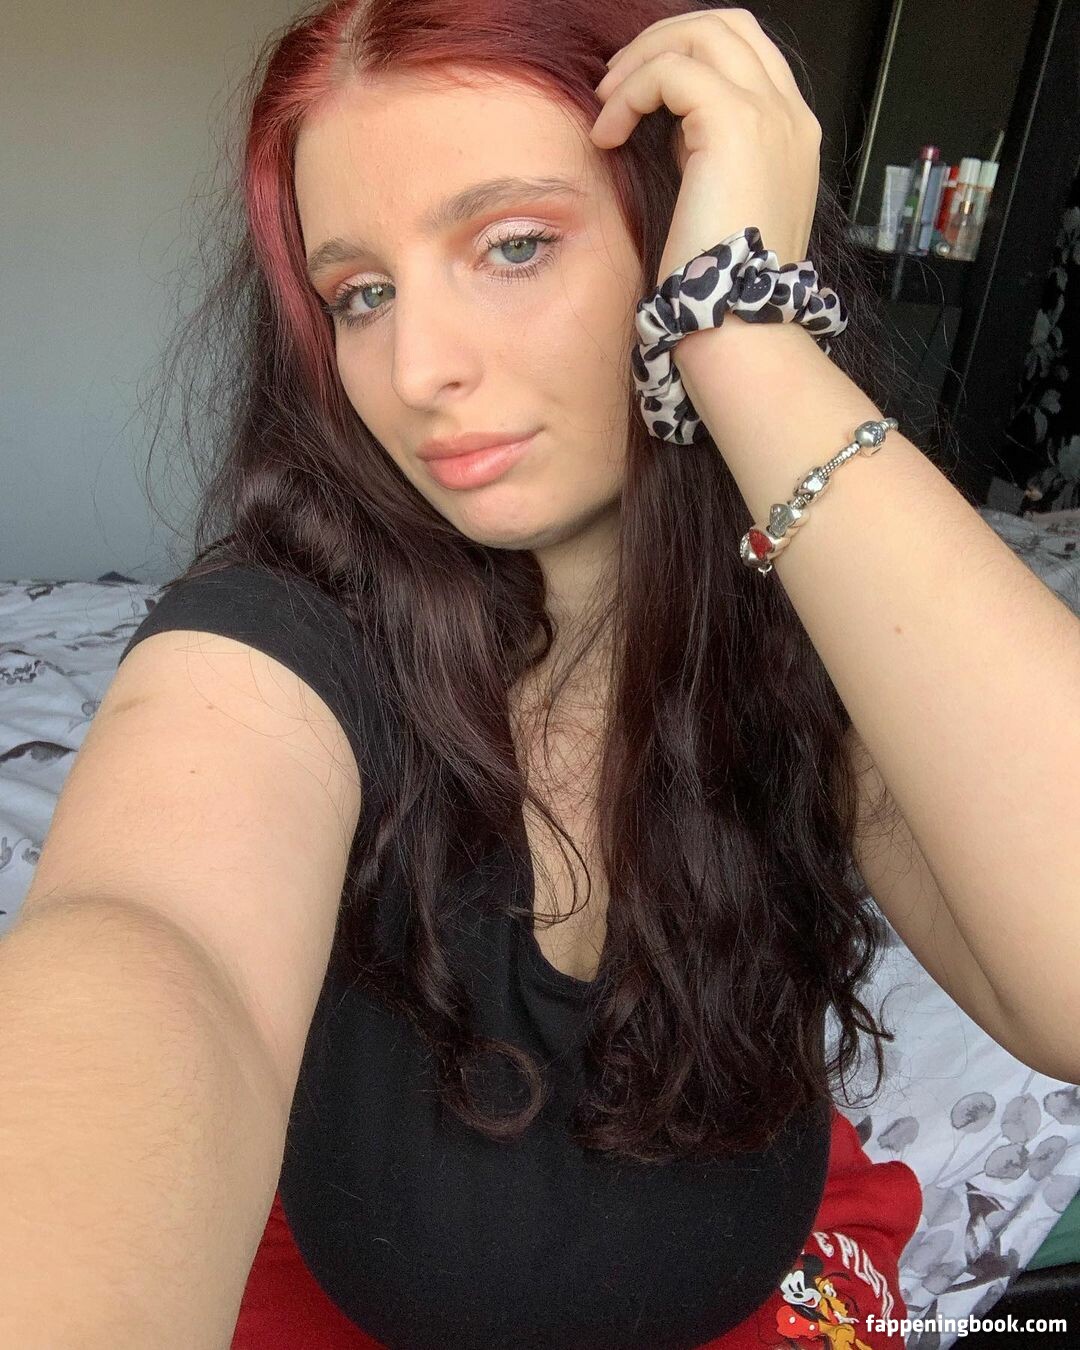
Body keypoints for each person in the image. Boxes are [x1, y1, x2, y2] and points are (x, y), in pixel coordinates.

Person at [10, 0, 973, 1345]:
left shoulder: (812, 619)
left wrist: (744, 336)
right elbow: (152, 940)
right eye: (363, 293)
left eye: (513, 244)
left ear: (679, 232)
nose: (415, 371)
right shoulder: (286, 628)